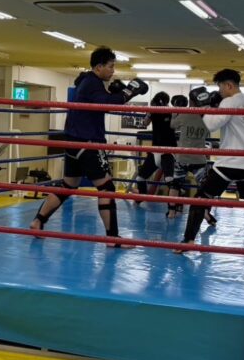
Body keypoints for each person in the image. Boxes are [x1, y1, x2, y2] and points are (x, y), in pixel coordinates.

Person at [29, 46, 148, 241]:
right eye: (110, 66)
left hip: (73, 142)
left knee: (68, 185)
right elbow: (107, 104)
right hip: (88, 143)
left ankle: (38, 221)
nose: (113, 71)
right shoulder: (92, 83)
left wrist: (119, 93)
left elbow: (103, 103)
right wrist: (128, 92)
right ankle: (113, 238)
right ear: (99, 67)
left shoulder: (86, 81)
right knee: (107, 188)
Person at [177, 69, 244, 253]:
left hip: (230, 163)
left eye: (220, 87)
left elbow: (212, 125)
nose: (220, 91)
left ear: (229, 85)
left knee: (200, 199)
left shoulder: (230, 101)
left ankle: (188, 241)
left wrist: (204, 108)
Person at [167, 88, 217, 226]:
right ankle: (205, 212)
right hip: (199, 159)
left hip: (182, 158)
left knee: (175, 185)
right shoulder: (208, 117)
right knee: (205, 188)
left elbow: (172, 125)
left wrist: (175, 111)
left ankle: (171, 212)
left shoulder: (185, 114)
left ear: (191, 101)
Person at [133, 91, 177, 200]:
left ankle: (176, 204)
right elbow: (145, 123)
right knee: (140, 179)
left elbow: (177, 125)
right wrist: (149, 112)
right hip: (154, 151)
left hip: (168, 151)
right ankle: (141, 198)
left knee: (169, 180)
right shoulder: (153, 111)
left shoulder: (172, 112)